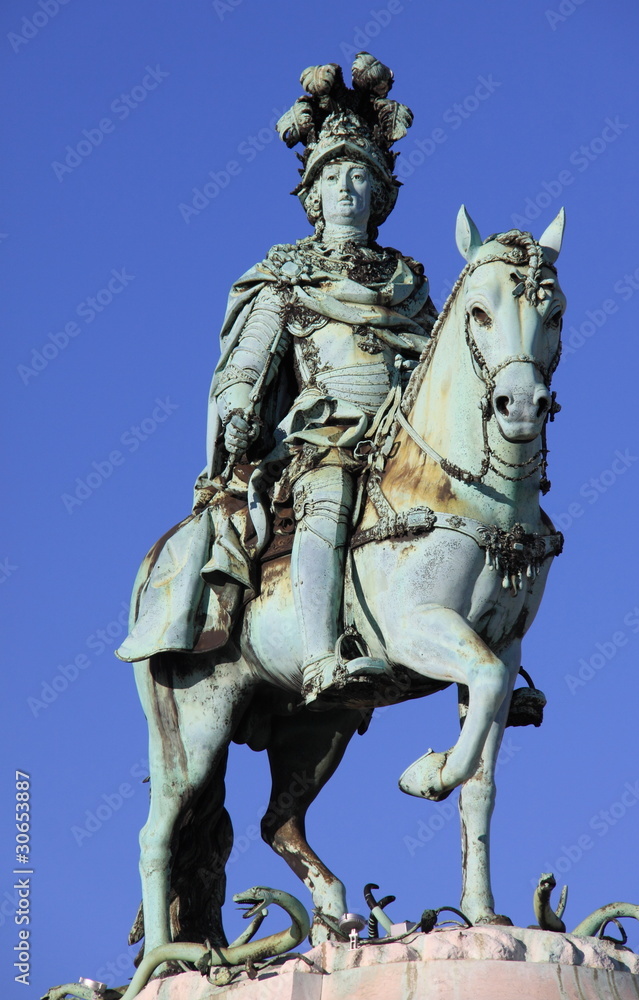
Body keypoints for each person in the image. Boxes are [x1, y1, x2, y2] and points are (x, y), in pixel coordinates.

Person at [118, 54, 436, 701]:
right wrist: (236, 406)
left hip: (406, 438)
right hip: (330, 434)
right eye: (332, 179)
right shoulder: (285, 275)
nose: (345, 188)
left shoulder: (410, 283)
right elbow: (247, 362)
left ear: (379, 194)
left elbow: (440, 362)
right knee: (326, 500)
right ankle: (320, 655)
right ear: (312, 198)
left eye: (357, 176)